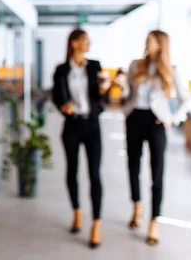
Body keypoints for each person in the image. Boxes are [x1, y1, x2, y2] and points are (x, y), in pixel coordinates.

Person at [118, 30, 191, 246]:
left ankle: (154, 220)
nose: (146, 43)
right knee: (133, 167)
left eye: (150, 40)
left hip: (157, 122)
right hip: (134, 118)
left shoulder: (171, 70)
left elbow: (186, 99)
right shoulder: (134, 65)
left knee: (157, 172)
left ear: (160, 45)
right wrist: (122, 90)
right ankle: (137, 207)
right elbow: (127, 96)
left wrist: (172, 119)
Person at [51, 28, 110, 249]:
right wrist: (62, 107)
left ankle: (96, 223)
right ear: (74, 43)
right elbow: (57, 97)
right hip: (72, 125)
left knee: (95, 173)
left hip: (92, 124)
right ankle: (77, 211)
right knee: (72, 170)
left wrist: (104, 91)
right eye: (85, 40)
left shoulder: (95, 66)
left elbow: (100, 95)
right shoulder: (61, 70)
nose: (88, 44)